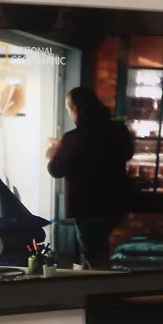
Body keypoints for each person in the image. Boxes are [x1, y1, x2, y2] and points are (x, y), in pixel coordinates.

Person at [47, 87, 134, 270]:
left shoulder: (74, 137)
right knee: (95, 254)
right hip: (114, 205)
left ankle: (102, 287)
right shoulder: (118, 130)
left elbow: (56, 169)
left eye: (69, 109)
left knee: (96, 260)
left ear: (76, 109)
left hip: (87, 208)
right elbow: (127, 153)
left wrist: (55, 153)